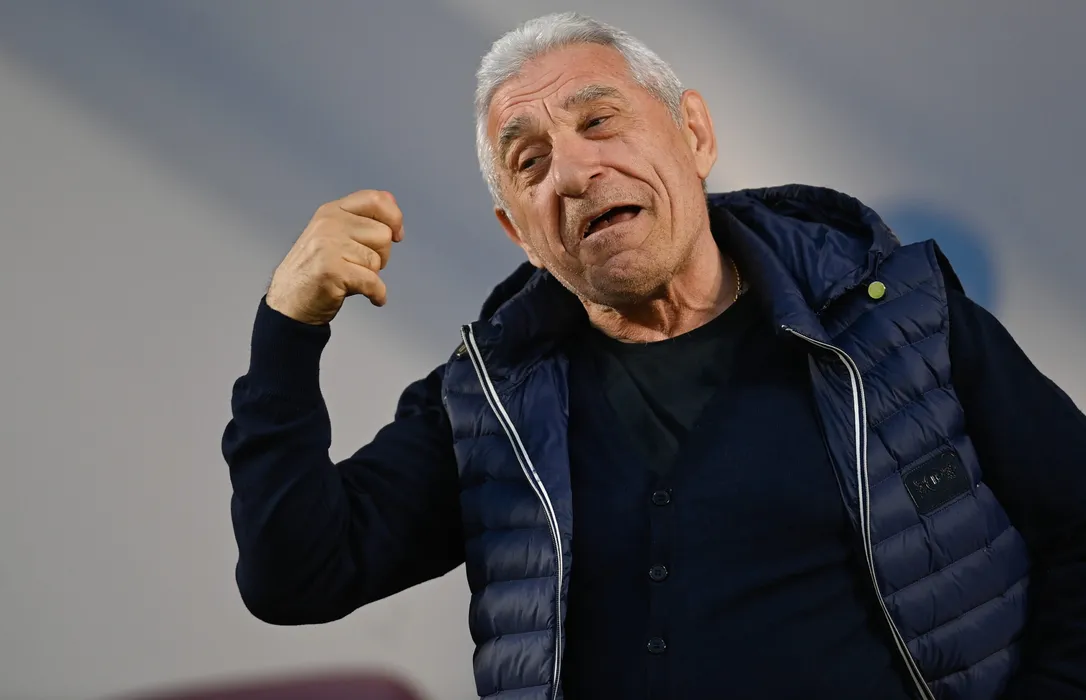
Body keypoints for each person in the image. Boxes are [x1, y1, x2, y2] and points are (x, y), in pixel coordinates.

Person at [221, 12, 1086, 700]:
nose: (574, 171)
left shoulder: (895, 314)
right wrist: (289, 327)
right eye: (531, 162)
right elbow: (297, 577)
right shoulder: (487, 403)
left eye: (600, 121)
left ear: (695, 134)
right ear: (519, 233)